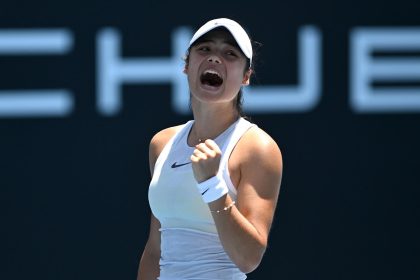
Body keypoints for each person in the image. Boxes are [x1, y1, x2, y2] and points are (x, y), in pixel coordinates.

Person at [137, 18, 283, 280]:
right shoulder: (162, 143)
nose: (215, 58)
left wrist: (212, 186)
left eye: (229, 53)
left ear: (246, 76)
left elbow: (249, 258)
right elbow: (155, 250)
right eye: (204, 49)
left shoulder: (257, 148)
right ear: (187, 65)